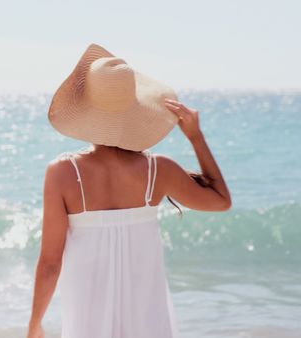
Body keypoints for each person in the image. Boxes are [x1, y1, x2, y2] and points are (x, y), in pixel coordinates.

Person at [27, 44, 231, 338]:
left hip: (88, 321)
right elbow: (221, 201)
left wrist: (35, 324)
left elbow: (49, 264)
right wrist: (195, 137)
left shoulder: (62, 173)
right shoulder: (158, 170)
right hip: (148, 322)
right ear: (134, 109)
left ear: (86, 108)